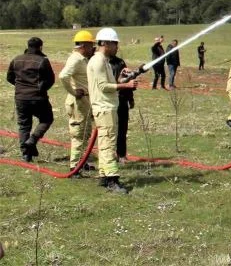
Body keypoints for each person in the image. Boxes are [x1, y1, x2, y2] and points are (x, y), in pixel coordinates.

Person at [87, 28, 138, 193]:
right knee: (109, 144)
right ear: (105, 43)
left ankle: (103, 176)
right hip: (105, 108)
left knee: (104, 143)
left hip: (108, 107)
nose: (117, 47)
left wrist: (124, 79)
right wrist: (126, 85)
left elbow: (109, 82)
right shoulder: (99, 61)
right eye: (115, 43)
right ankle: (112, 179)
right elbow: (103, 86)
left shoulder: (105, 61)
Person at [6, 37, 55, 162]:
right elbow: (50, 79)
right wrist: (42, 88)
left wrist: (20, 87)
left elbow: (10, 77)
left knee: (24, 125)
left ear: (28, 46)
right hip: (38, 97)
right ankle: (32, 140)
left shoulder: (16, 59)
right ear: (40, 47)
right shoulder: (42, 60)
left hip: (21, 97)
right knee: (46, 119)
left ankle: (25, 154)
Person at [58, 30, 95, 172]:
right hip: (78, 102)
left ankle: (81, 162)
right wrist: (73, 92)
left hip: (84, 101)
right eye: (91, 45)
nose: (93, 48)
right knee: (79, 134)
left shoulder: (82, 58)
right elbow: (63, 76)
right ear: (84, 45)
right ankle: (75, 166)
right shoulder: (77, 59)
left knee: (85, 132)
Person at [109, 52, 135, 163]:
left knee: (122, 128)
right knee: (109, 130)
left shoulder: (120, 62)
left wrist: (130, 98)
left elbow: (127, 80)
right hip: (108, 101)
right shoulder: (100, 62)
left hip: (122, 99)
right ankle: (108, 155)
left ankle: (121, 154)